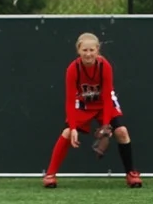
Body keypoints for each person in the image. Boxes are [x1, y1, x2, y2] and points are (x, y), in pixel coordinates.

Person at [43, 30, 142, 188]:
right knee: (67, 133)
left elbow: (108, 96)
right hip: (84, 103)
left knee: (122, 132)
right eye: (84, 50)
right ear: (78, 50)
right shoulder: (73, 69)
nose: (88, 54)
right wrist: (74, 127)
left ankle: (131, 173)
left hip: (104, 103)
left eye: (92, 50)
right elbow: (70, 100)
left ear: (98, 50)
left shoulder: (105, 66)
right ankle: (50, 174)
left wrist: (106, 125)